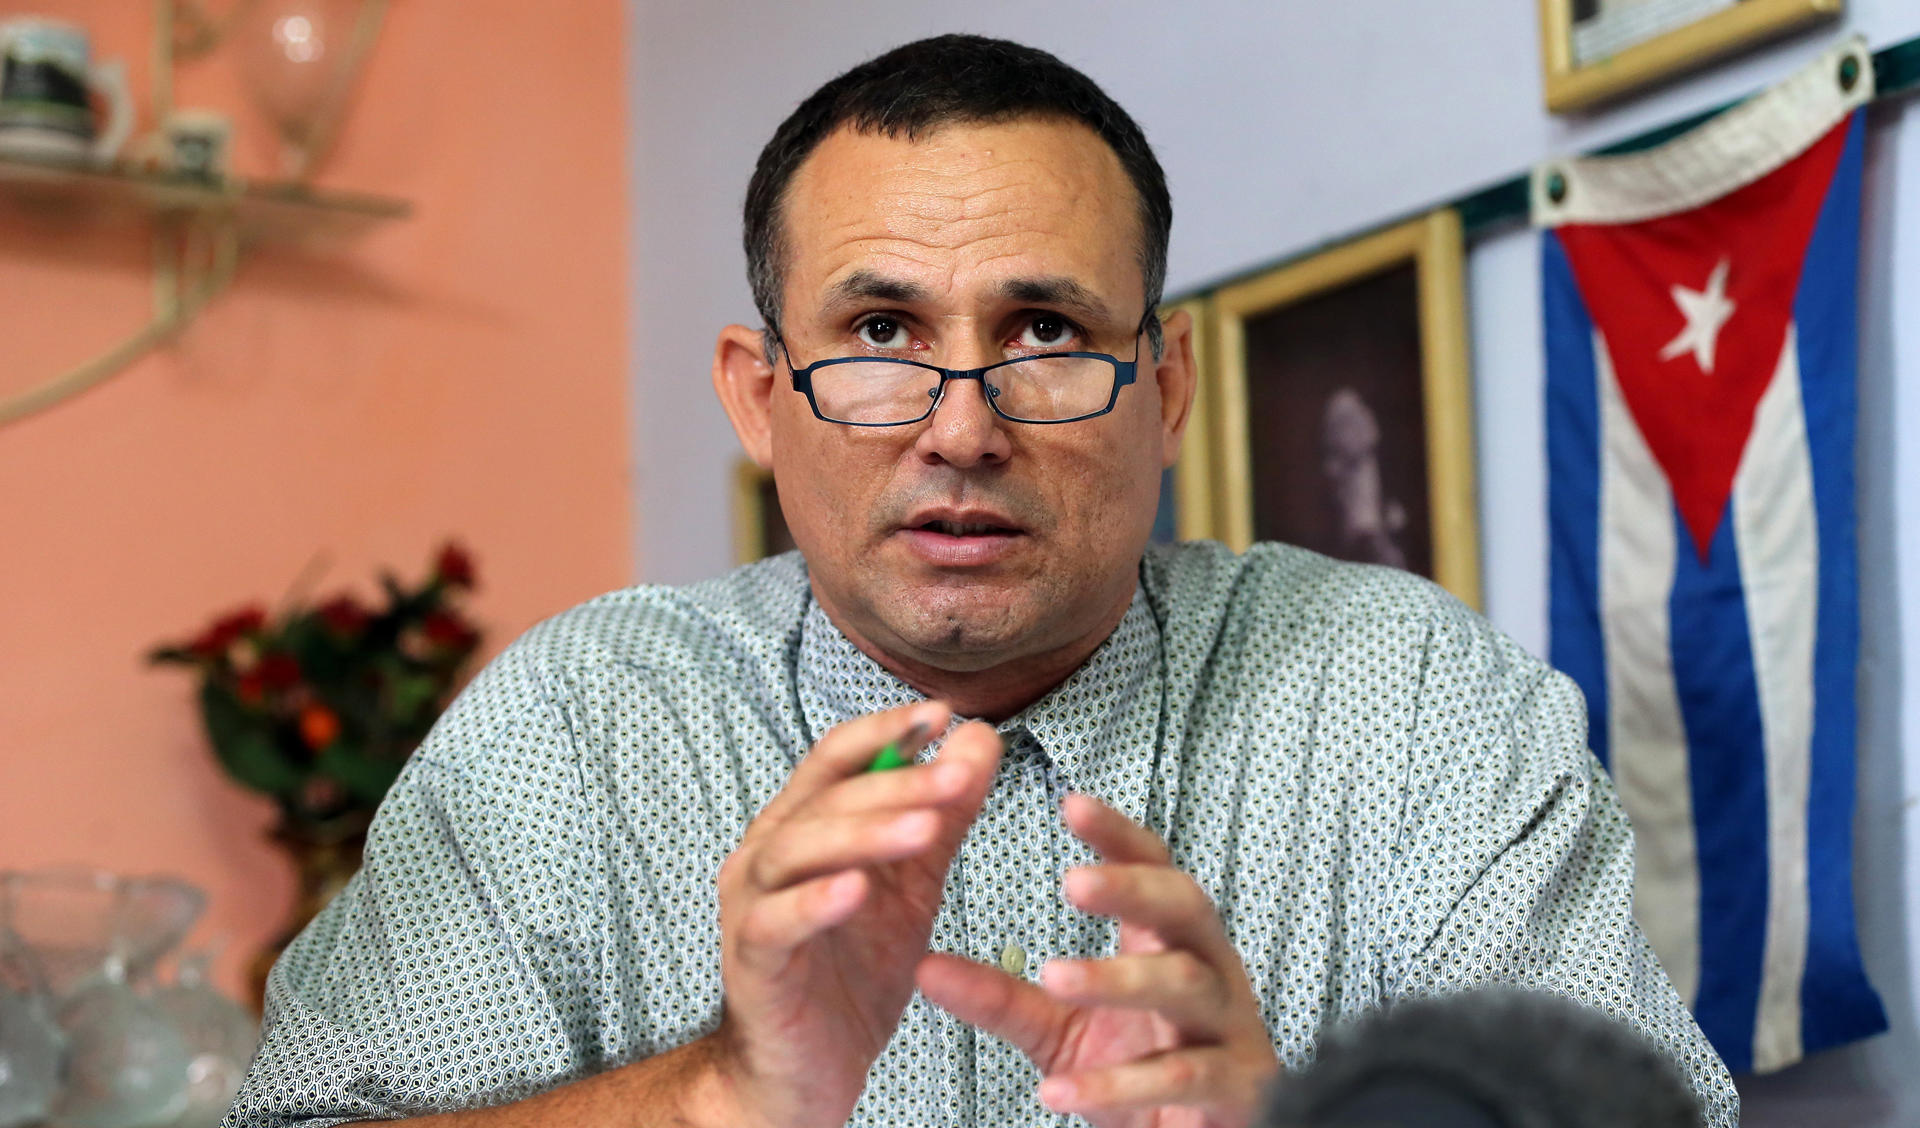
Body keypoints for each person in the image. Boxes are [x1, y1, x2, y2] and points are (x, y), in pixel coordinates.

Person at [226, 34, 1738, 1128]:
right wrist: (722, 1098)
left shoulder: (1410, 705)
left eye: (1042, 333)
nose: (963, 427)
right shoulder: (574, 731)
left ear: (1170, 386)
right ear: (759, 397)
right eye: (881, 334)